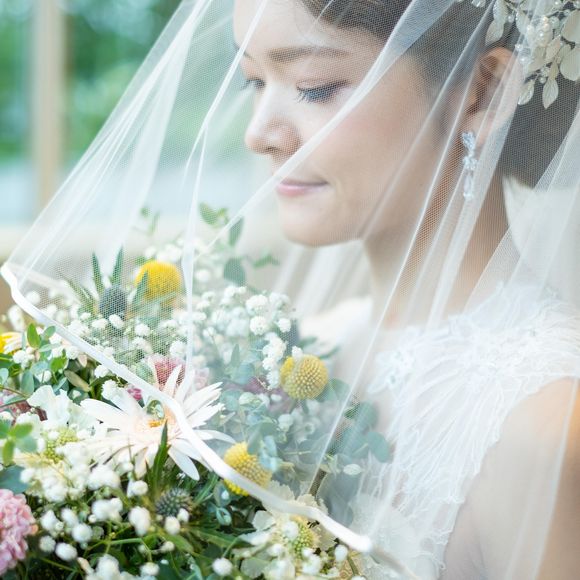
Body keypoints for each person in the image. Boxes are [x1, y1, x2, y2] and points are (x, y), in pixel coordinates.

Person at [3, 0, 579, 578]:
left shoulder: (545, 425)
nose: (258, 135)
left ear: (482, 93)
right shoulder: (300, 359)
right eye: (254, 81)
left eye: (313, 87)